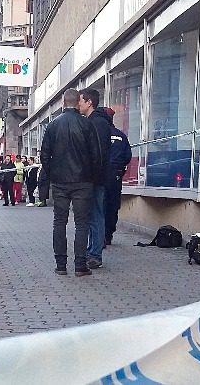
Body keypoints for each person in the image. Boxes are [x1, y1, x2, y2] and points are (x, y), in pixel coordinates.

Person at [41, 88, 102, 277]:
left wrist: (52, 174)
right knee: (82, 223)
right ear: (78, 102)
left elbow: (45, 155)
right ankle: (80, 265)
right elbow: (96, 155)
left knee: (59, 222)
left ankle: (61, 265)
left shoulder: (52, 126)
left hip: (60, 182)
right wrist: (92, 176)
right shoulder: (87, 124)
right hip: (83, 182)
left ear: (63, 103)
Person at [78, 88, 110, 269]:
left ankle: (95, 254)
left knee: (95, 215)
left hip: (95, 178)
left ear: (89, 102)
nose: (78, 104)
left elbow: (98, 154)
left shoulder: (97, 123)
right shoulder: (93, 121)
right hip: (94, 177)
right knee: (91, 215)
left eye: (81, 100)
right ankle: (92, 250)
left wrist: (91, 176)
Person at [101, 108, 132, 246]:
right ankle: (108, 234)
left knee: (100, 204)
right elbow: (127, 156)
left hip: (101, 174)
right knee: (112, 205)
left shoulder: (99, 134)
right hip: (115, 175)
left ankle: (100, 236)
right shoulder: (121, 135)